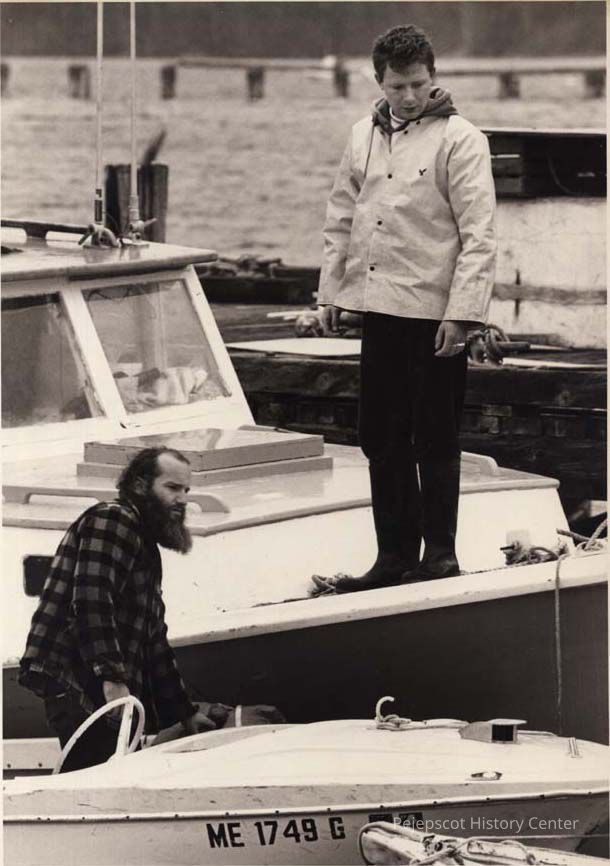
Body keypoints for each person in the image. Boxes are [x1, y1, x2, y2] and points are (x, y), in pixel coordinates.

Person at [316, 25, 496, 593]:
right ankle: (393, 556)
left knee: (435, 436)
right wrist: (331, 294)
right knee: (380, 436)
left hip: (437, 315)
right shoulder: (361, 137)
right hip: (378, 309)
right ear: (380, 82)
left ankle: (440, 555)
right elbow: (341, 219)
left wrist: (463, 315)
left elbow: (480, 235)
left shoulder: (461, 139)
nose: (410, 96)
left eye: (418, 84)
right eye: (398, 87)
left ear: (433, 77)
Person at [18, 446, 222, 771]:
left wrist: (185, 714)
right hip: (80, 681)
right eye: (172, 487)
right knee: (93, 780)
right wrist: (112, 678)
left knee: (105, 775)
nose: (182, 499)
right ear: (140, 485)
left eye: (186, 490)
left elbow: (153, 639)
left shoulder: (143, 541)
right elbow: (92, 599)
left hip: (98, 684)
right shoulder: (114, 519)